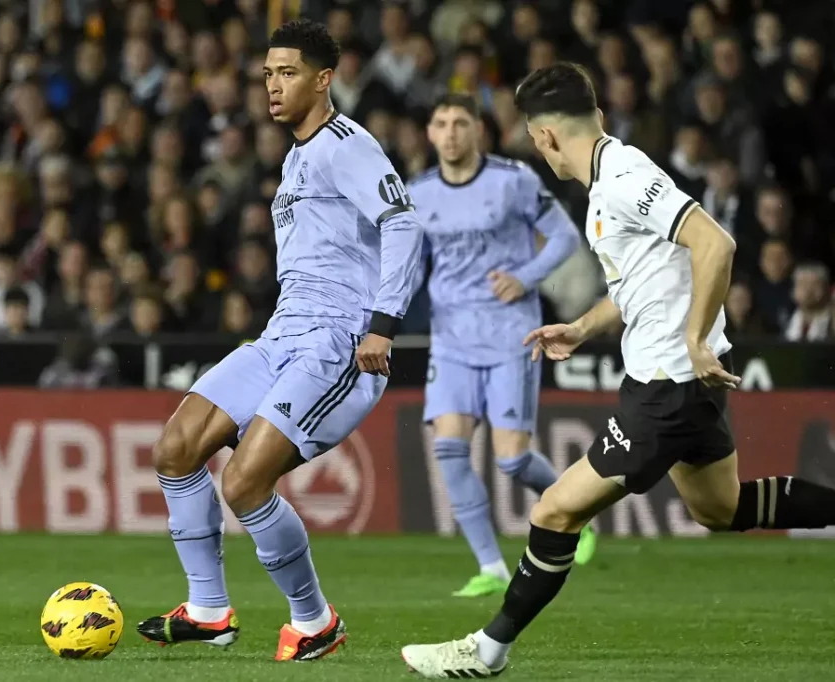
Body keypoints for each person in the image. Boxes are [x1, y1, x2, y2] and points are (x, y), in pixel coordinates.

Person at [400, 62, 835, 678]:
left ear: (545, 138)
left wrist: (692, 337)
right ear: (596, 117)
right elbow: (640, 283)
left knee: (554, 511)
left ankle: (488, 649)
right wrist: (582, 326)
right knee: (720, 509)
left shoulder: (626, 178)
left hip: (668, 384)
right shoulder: (609, 180)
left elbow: (716, 243)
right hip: (680, 378)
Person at [137, 20, 424, 662]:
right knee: (176, 447)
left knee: (243, 483)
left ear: (324, 80)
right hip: (282, 335)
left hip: (340, 344)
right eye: (267, 73)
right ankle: (209, 609)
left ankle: (315, 620)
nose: (272, 85)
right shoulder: (297, 156)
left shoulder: (345, 145)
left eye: (287, 72)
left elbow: (402, 224)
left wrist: (383, 323)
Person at [410, 93, 591, 598]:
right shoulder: (417, 195)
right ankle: (490, 566)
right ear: (429, 133)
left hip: (511, 331)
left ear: (478, 131)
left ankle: (577, 513)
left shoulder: (513, 180)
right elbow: (407, 263)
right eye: (441, 123)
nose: (450, 133)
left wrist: (525, 276)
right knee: (448, 449)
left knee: (512, 459)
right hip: (450, 340)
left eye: (460, 123)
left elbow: (564, 238)